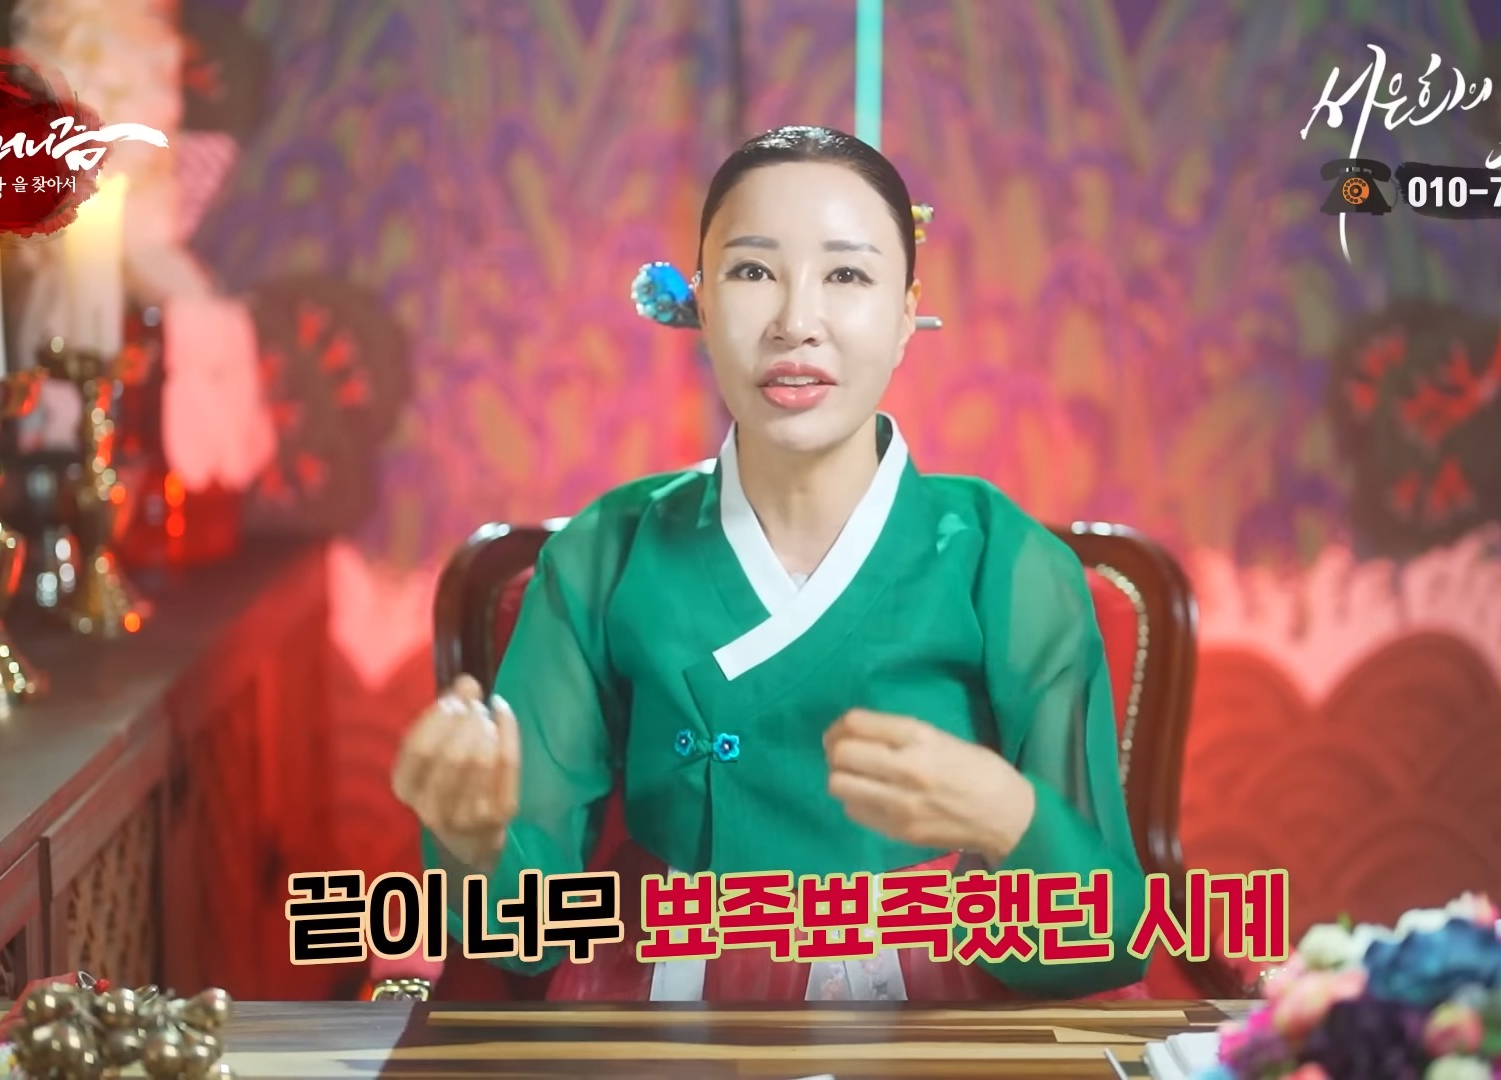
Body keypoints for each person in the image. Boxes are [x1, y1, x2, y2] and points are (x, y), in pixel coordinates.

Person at [393, 125, 1150, 1002]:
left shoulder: (1006, 561)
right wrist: (474, 844)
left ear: (907, 315)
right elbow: (523, 936)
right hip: (657, 993)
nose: (796, 322)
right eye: (753, 272)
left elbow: (1112, 939)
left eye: (848, 276)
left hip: (931, 1007)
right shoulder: (604, 551)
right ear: (701, 306)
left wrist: (1012, 820)